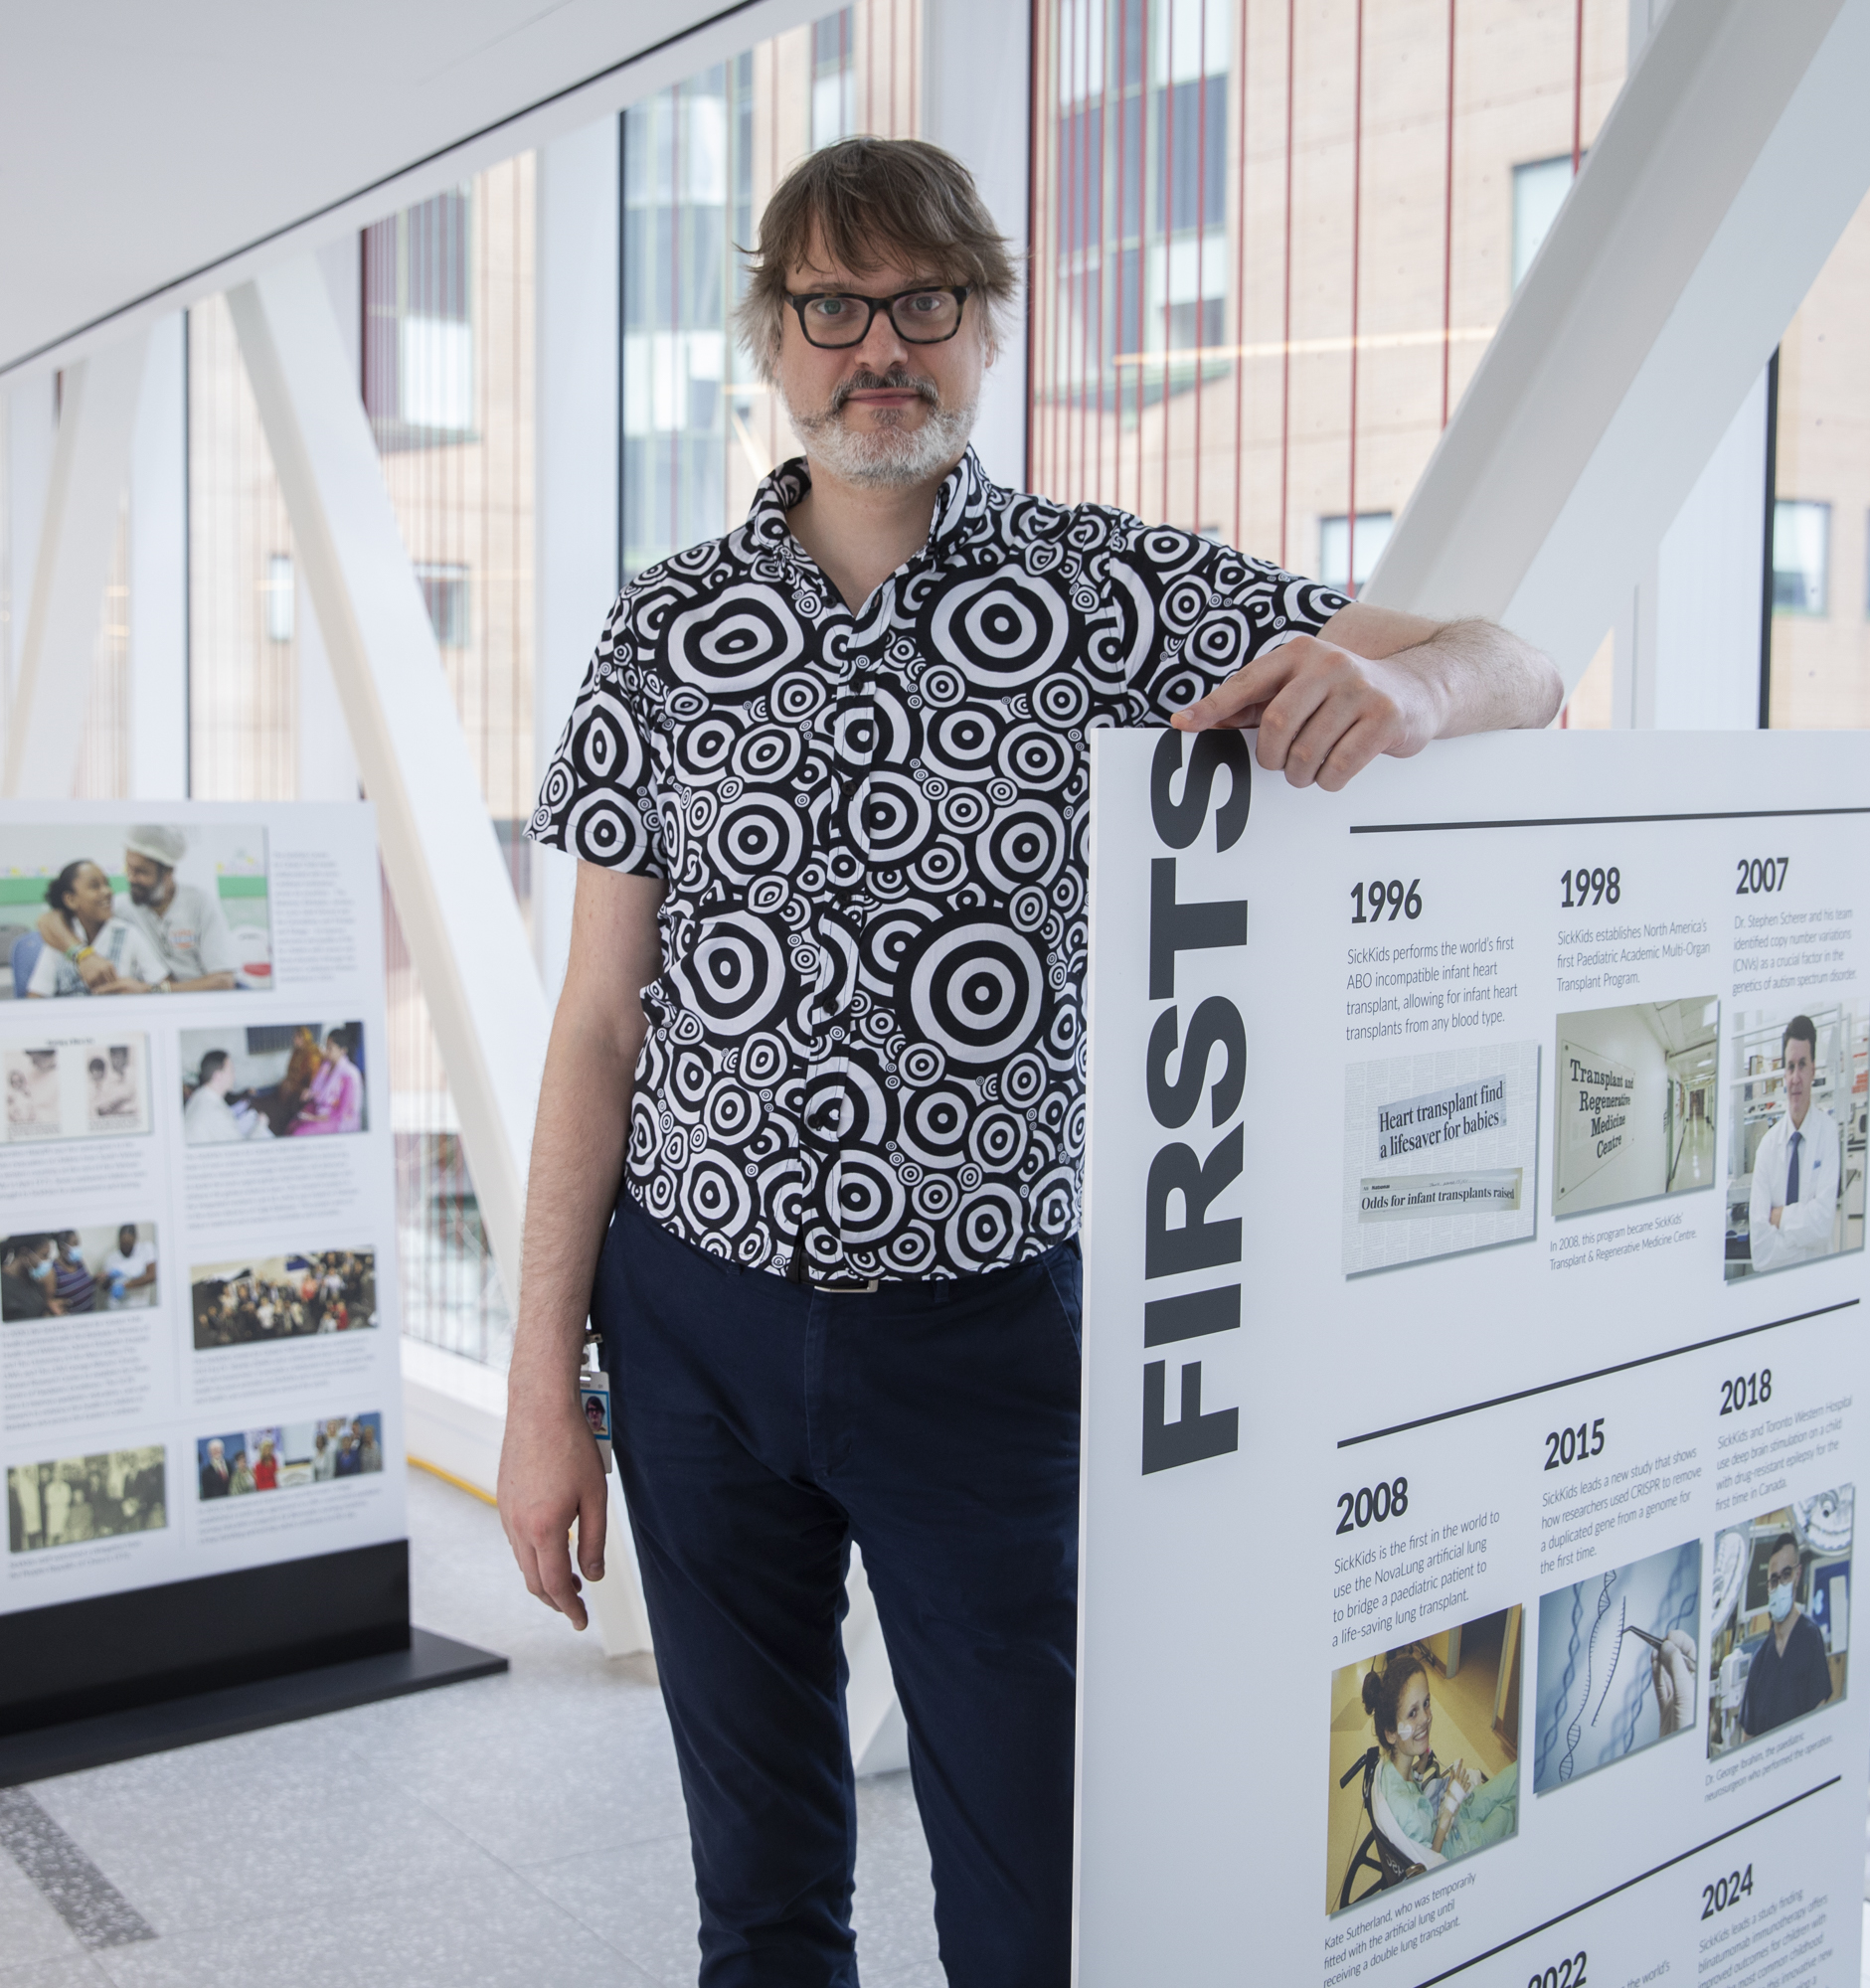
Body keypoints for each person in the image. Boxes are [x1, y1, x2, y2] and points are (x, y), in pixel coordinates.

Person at [495, 136, 1563, 1986]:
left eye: (922, 303)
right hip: (690, 1336)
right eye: (832, 306)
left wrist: (1405, 691)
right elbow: (596, 1026)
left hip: (983, 1349)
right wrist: (541, 1395)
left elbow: (1520, 665)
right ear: (773, 337)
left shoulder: (1106, 598)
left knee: (1036, 1896)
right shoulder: (663, 629)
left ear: (984, 331)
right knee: (755, 1891)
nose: (876, 346)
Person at [1359, 1651, 1520, 1875]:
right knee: (1510, 1809)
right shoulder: (1406, 1812)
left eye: (1426, 1704)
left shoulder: (1389, 1769)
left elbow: (1409, 1790)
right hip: (1457, 1847)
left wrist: (1421, 1767)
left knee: (1512, 1778)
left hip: (1456, 1816)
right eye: (1412, 1713)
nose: (1425, 1717)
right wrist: (1449, 1806)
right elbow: (1431, 1863)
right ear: (1391, 1733)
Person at [1749, 1015, 1841, 1273]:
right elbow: (1760, 1251)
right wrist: (1804, 1238)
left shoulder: (1828, 1133)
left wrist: (1779, 1217)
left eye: (1802, 1065)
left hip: (1817, 1280)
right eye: (1790, 1067)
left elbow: (1823, 1225)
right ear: (1783, 1074)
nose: (1796, 1077)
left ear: (1813, 1069)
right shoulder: (1767, 1147)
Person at [109, 825, 239, 991]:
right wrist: (81, 955)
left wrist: (153, 991)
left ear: (168, 872)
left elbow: (223, 981)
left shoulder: (199, 903)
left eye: (141, 872)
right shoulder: (121, 907)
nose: (131, 878)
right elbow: (65, 918)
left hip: (199, 1002)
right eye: (129, 869)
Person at [1740, 1532, 1836, 1739]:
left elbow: (1819, 1712)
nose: (1779, 1585)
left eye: (1786, 1575)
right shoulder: (1760, 1661)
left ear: (1797, 1575)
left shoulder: (1810, 1637)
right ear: (1768, 1588)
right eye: (1774, 1580)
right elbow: (1747, 1737)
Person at [26, 860, 165, 998]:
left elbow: (163, 985)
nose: (107, 891)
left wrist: (145, 989)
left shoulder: (128, 933)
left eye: (107, 884)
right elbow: (36, 996)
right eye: (94, 886)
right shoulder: (62, 935)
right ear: (71, 900)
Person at [288, 1026, 365, 1135]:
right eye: (326, 1046)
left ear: (343, 1050)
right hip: (321, 1109)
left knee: (299, 1133)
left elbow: (342, 1112)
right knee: (293, 1125)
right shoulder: (326, 1066)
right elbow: (320, 1091)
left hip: (337, 1120)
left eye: (330, 1048)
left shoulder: (349, 1075)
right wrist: (310, 1093)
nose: (325, 1051)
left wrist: (314, 1118)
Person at [183, 1049, 244, 1143]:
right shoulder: (214, 1112)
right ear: (217, 1076)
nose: (234, 1076)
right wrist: (260, 1126)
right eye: (231, 1070)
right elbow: (242, 1150)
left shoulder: (199, 1095)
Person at [103, 1224, 158, 1307]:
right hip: (116, 1307)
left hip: (139, 1305)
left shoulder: (146, 1249)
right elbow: (106, 1287)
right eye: (122, 1243)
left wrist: (124, 1286)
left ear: (135, 1239)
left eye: (128, 1243)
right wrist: (105, 1280)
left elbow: (152, 1276)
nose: (125, 1246)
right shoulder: (111, 1258)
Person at [49, 1232, 97, 1314]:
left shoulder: (79, 1262)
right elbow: (50, 1302)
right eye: (74, 1244)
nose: (77, 1247)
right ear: (62, 1246)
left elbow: (83, 1283)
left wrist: (95, 1280)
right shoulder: (53, 1270)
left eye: (78, 1243)